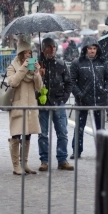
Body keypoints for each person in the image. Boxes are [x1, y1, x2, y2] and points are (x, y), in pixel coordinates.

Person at [69, 36, 108, 159]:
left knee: (100, 128)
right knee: (80, 127)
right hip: (83, 100)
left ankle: (102, 151)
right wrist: (79, 94)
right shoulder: (77, 63)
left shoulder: (102, 62)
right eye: (90, 48)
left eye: (94, 48)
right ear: (85, 49)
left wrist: (107, 91)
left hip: (100, 99)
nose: (92, 51)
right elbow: (72, 81)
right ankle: (76, 151)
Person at [37, 37, 74, 171]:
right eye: (48, 47)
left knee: (62, 133)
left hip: (58, 102)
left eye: (53, 47)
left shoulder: (60, 63)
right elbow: (29, 82)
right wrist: (39, 75)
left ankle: (62, 159)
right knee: (43, 134)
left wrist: (63, 98)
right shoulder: (36, 63)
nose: (51, 49)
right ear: (42, 48)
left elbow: (68, 83)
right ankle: (44, 160)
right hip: (43, 103)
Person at [7, 39, 43, 175]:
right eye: (26, 52)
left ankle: (24, 163)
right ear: (21, 53)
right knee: (16, 135)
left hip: (31, 106)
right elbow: (13, 82)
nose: (28, 55)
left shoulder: (33, 67)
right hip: (18, 105)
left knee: (27, 135)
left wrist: (37, 73)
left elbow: (39, 87)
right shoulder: (12, 66)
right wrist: (23, 68)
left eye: (30, 52)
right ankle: (16, 165)